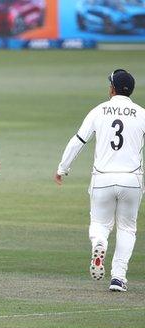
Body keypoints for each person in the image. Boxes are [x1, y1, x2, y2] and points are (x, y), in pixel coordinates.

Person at [55, 69, 143, 292]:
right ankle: (118, 278)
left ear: (112, 88)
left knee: (100, 224)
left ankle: (99, 244)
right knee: (127, 228)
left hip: (103, 179)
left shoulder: (99, 110)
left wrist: (62, 168)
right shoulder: (141, 113)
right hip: (132, 180)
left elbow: (78, 141)